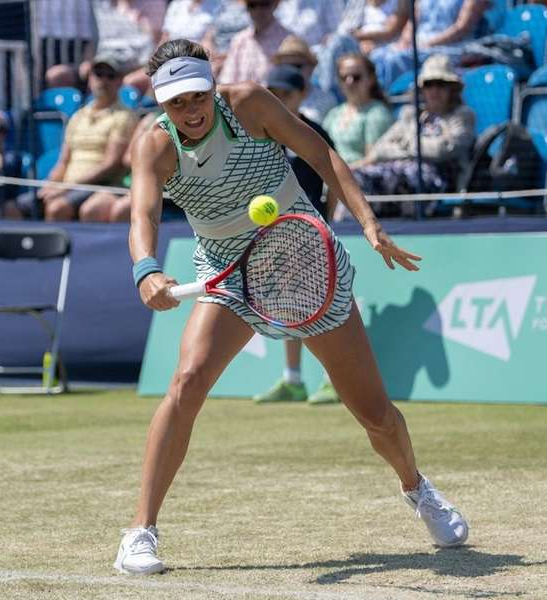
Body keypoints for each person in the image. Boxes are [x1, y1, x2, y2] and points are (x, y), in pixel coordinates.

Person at [115, 39, 469, 575]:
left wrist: (368, 221)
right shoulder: (154, 145)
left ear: (212, 85)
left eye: (195, 97)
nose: (188, 111)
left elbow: (321, 153)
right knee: (186, 384)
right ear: (161, 104)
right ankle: (140, 532)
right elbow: (142, 216)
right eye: (175, 103)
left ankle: (417, 488)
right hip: (227, 274)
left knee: (374, 415)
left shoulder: (251, 104)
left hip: (303, 258)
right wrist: (147, 269)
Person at [252, 63, 341, 405]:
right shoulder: (260, 133)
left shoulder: (313, 131)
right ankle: (293, 380)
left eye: (285, 93)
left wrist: (326, 221)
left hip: (311, 230)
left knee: (324, 307)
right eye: (272, 93)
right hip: (275, 233)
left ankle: (333, 380)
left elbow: (334, 176)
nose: (278, 99)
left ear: (302, 94)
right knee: (290, 306)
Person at [352, 54, 476, 218]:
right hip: (402, 174)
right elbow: (380, 148)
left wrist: (407, 142)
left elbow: (441, 150)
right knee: (357, 177)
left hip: (439, 182)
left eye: (440, 84)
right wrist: (413, 148)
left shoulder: (462, 116)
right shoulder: (412, 116)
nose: (434, 90)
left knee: (395, 177)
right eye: (428, 84)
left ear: (452, 88)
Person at [38, 54, 137, 221]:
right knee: (13, 208)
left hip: (100, 185)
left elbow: (110, 165)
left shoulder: (124, 117)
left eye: (110, 76)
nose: (103, 80)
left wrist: (66, 188)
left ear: (120, 81)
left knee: (57, 209)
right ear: (90, 78)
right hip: (68, 186)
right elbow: (63, 162)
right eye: (98, 74)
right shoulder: (77, 117)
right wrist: (50, 184)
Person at [322, 53, 394, 166]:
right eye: (343, 77)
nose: (349, 82)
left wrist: (344, 175)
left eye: (356, 77)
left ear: (371, 79)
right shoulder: (334, 113)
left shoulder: (377, 113)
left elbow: (373, 161)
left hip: (358, 180)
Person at [217, 0, 290, 85]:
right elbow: (227, 82)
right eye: (252, 5)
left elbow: (289, 90)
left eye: (264, 4)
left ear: (275, 4)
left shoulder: (288, 41)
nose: (258, 10)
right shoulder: (239, 40)